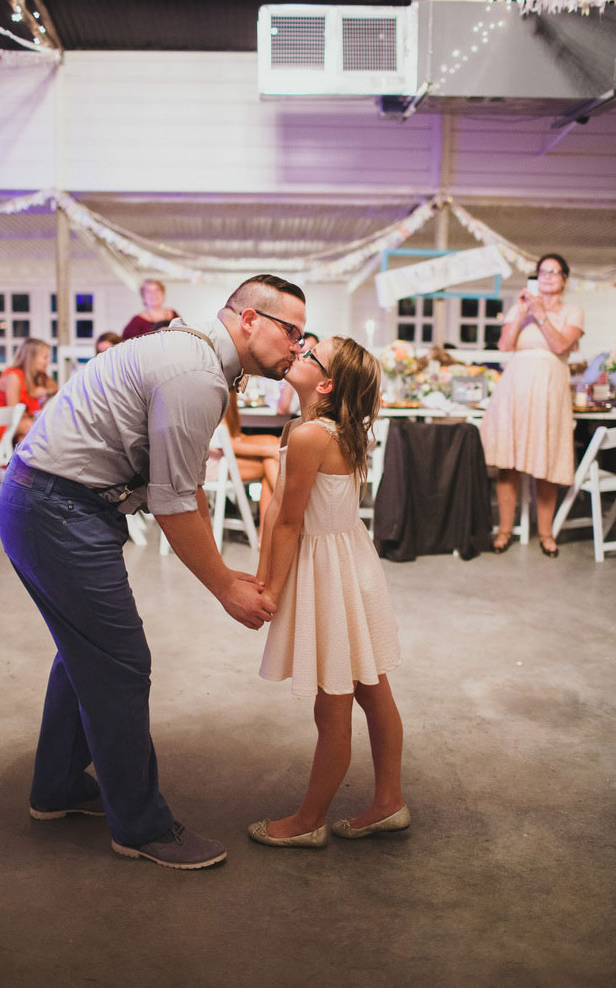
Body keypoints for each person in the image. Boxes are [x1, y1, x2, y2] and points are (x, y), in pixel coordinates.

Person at [0, 273, 306, 871]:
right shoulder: (196, 374)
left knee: (86, 654)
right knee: (120, 664)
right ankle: (140, 826)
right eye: (291, 331)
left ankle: (56, 788)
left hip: (47, 501)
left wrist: (221, 568)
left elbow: (185, 485)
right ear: (248, 321)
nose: (298, 346)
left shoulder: (193, 356)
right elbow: (172, 501)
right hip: (57, 510)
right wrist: (224, 587)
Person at [248, 336, 407, 848]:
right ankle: (390, 801)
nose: (301, 348)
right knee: (370, 688)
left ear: (326, 384)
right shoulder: (310, 428)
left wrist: (269, 587)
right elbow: (276, 511)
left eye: (312, 351)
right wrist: (261, 568)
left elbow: (292, 521)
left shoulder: (314, 434)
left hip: (330, 573)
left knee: (333, 703)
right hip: (346, 565)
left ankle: (308, 820)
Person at [480, 253, 583, 558]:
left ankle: (546, 533)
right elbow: (505, 345)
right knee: (508, 462)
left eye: (554, 272)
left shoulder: (573, 311)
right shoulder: (521, 306)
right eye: (542, 272)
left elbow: (562, 345)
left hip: (549, 390)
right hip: (516, 388)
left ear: (564, 278)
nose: (548, 276)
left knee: (545, 463)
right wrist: (524, 311)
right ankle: (503, 531)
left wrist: (540, 314)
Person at [223, 391, 280, 539]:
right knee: (270, 461)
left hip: (224, 457)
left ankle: (265, 535)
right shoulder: (218, 396)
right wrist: (272, 449)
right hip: (216, 465)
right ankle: (289, 508)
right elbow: (230, 443)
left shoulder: (228, 396)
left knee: (270, 456)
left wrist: (272, 443)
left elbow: (237, 437)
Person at [0, 338, 57, 447]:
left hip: (14, 428)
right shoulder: (13, 377)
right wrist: (34, 393)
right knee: (34, 428)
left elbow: (54, 388)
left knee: (26, 436)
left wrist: (39, 392)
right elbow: (14, 413)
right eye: (45, 357)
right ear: (32, 359)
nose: (48, 361)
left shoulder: (34, 378)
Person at [276, 331, 319, 414]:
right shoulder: (292, 377)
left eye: (310, 353)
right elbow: (282, 410)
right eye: (302, 353)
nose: (306, 358)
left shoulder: (321, 380)